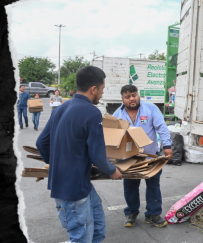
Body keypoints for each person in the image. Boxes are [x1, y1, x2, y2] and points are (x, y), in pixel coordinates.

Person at [36, 66, 122, 243]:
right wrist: (113, 171)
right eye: (102, 89)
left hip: (81, 187)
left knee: (98, 231)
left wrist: (57, 165)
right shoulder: (92, 112)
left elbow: (41, 143)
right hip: (72, 192)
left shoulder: (61, 107)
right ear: (93, 89)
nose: (102, 93)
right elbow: (97, 154)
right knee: (81, 239)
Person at [112, 84, 172, 228]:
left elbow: (162, 127)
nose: (132, 99)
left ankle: (153, 214)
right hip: (129, 159)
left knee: (153, 185)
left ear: (138, 95)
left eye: (134, 95)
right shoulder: (117, 115)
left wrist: (168, 146)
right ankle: (131, 212)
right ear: (122, 99)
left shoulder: (150, 108)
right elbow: (112, 136)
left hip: (150, 157)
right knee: (130, 186)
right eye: (127, 97)